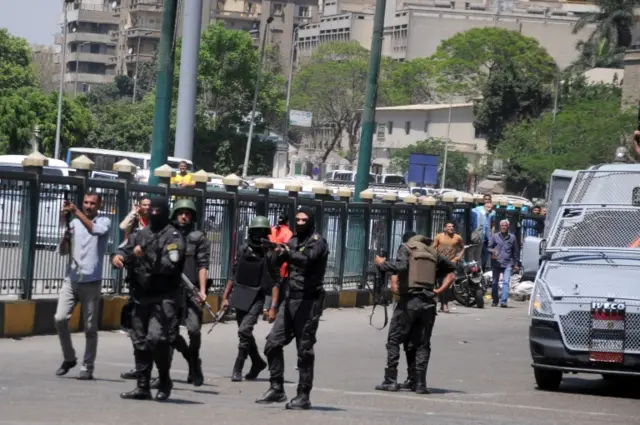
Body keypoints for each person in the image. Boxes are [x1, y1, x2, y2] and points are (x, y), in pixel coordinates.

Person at [112, 196, 186, 401]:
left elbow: (169, 266)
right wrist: (117, 256)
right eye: (151, 210)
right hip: (140, 297)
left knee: (157, 339)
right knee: (139, 341)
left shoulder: (173, 237)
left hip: (163, 298)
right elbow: (124, 249)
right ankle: (142, 386)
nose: (154, 214)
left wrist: (142, 255)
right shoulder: (141, 234)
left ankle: (163, 380)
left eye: (157, 211)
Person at [255, 206, 329, 410]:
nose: (300, 223)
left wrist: (288, 252)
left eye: (305, 220)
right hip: (290, 300)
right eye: (298, 219)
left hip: (308, 302)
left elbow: (306, 260)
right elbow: (279, 266)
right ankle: (277, 387)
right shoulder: (293, 241)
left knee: (304, 350)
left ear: (311, 221)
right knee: (272, 343)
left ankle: (303, 395)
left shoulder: (318, 242)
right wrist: (274, 252)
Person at [374, 234, 456, 394]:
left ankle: (390, 380)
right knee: (421, 344)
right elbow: (452, 267)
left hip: (409, 301)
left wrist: (382, 264)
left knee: (394, 340)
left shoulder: (406, 248)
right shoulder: (432, 252)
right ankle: (419, 383)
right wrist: (434, 281)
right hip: (428, 303)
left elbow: (402, 267)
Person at [54, 192, 112, 380]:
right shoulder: (74, 222)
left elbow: (94, 230)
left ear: (99, 205)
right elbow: (63, 251)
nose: (88, 206)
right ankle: (69, 357)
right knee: (60, 318)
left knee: (90, 327)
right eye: (85, 202)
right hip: (71, 280)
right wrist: (65, 235)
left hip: (91, 281)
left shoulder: (104, 222)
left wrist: (77, 212)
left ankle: (88, 366)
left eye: (92, 203)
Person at [154, 199, 210, 387]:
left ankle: (194, 363)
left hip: (191, 289)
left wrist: (202, 291)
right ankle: (164, 374)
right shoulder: (168, 234)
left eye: (188, 213)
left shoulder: (198, 237)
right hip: (170, 290)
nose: (184, 216)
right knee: (169, 333)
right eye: (181, 213)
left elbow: (203, 265)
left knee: (194, 330)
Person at [222, 216, 280, 382]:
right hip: (241, 294)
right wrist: (225, 296)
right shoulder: (243, 249)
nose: (259, 235)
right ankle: (257, 362)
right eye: (256, 232)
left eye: (263, 232)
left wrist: (273, 307)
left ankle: (238, 367)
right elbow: (234, 273)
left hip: (258, 296)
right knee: (244, 334)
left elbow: (276, 282)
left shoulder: (270, 254)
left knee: (244, 330)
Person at [120, 196, 151, 380]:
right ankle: (139, 367)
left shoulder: (154, 223)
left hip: (151, 274)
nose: (146, 208)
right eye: (143, 205)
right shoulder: (134, 221)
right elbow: (123, 228)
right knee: (136, 325)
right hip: (135, 272)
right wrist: (133, 213)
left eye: (149, 205)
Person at [265, 213, 293, 319]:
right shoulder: (288, 232)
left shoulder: (272, 229)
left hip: (269, 262)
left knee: (270, 286)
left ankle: (266, 308)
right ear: (287, 221)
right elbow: (287, 248)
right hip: (282, 266)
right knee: (280, 289)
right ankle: (276, 310)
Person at [432, 221, 464, 313]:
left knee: (446, 285)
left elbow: (462, 248)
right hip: (440, 263)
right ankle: (442, 304)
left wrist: (458, 258)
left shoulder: (457, 237)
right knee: (440, 284)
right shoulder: (439, 237)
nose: (451, 228)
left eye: (452, 227)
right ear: (445, 228)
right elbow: (433, 247)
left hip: (451, 263)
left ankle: (445, 304)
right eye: (449, 227)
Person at [488, 219, 520, 308]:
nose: (503, 227)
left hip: (508, 263)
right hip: (496, 263)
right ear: (500, 226)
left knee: (506, 282)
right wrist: (492, 251)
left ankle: (504, 301)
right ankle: (495, 300)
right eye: (502, 225)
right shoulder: (495, 236)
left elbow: (515, 252)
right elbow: (489, 248)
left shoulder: (512, 237)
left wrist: (516, 264)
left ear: (508, 227)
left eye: (505, 225)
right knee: (494, 282)